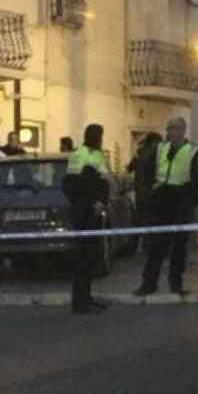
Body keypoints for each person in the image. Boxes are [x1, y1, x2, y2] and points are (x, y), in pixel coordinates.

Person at [134, 117, 198, 297]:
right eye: (169, 129)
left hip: (181, 200)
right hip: (160, 199)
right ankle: (149, 284)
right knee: (156, 245)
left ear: (182, 130)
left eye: (173, 129)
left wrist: (189, 198)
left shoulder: (193, 151)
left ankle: (176, 285)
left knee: (179, 247)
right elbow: (146, 168)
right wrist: (151, 190)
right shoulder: (159, 148)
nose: (170, 132)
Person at [63, 124, 111, 315]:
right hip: (83, 213)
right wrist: (93, 200)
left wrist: (101, 201)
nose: (100, 138)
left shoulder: (98, 155)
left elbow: (104, 182)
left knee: (91, 257)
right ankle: (80, 303)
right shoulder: (79, 154)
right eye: (99, 135)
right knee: (83, 258)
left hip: (94, 212)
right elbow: (73, 184)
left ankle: (87, 298)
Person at [126, 132, 163, 247]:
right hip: (150, 191)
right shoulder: (154, 155)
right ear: (154, 143)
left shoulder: (139, 153)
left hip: (140, 191)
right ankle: (150, 243)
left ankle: (144, 242)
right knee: (153, 217)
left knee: (143, 216)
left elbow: (128, 169)